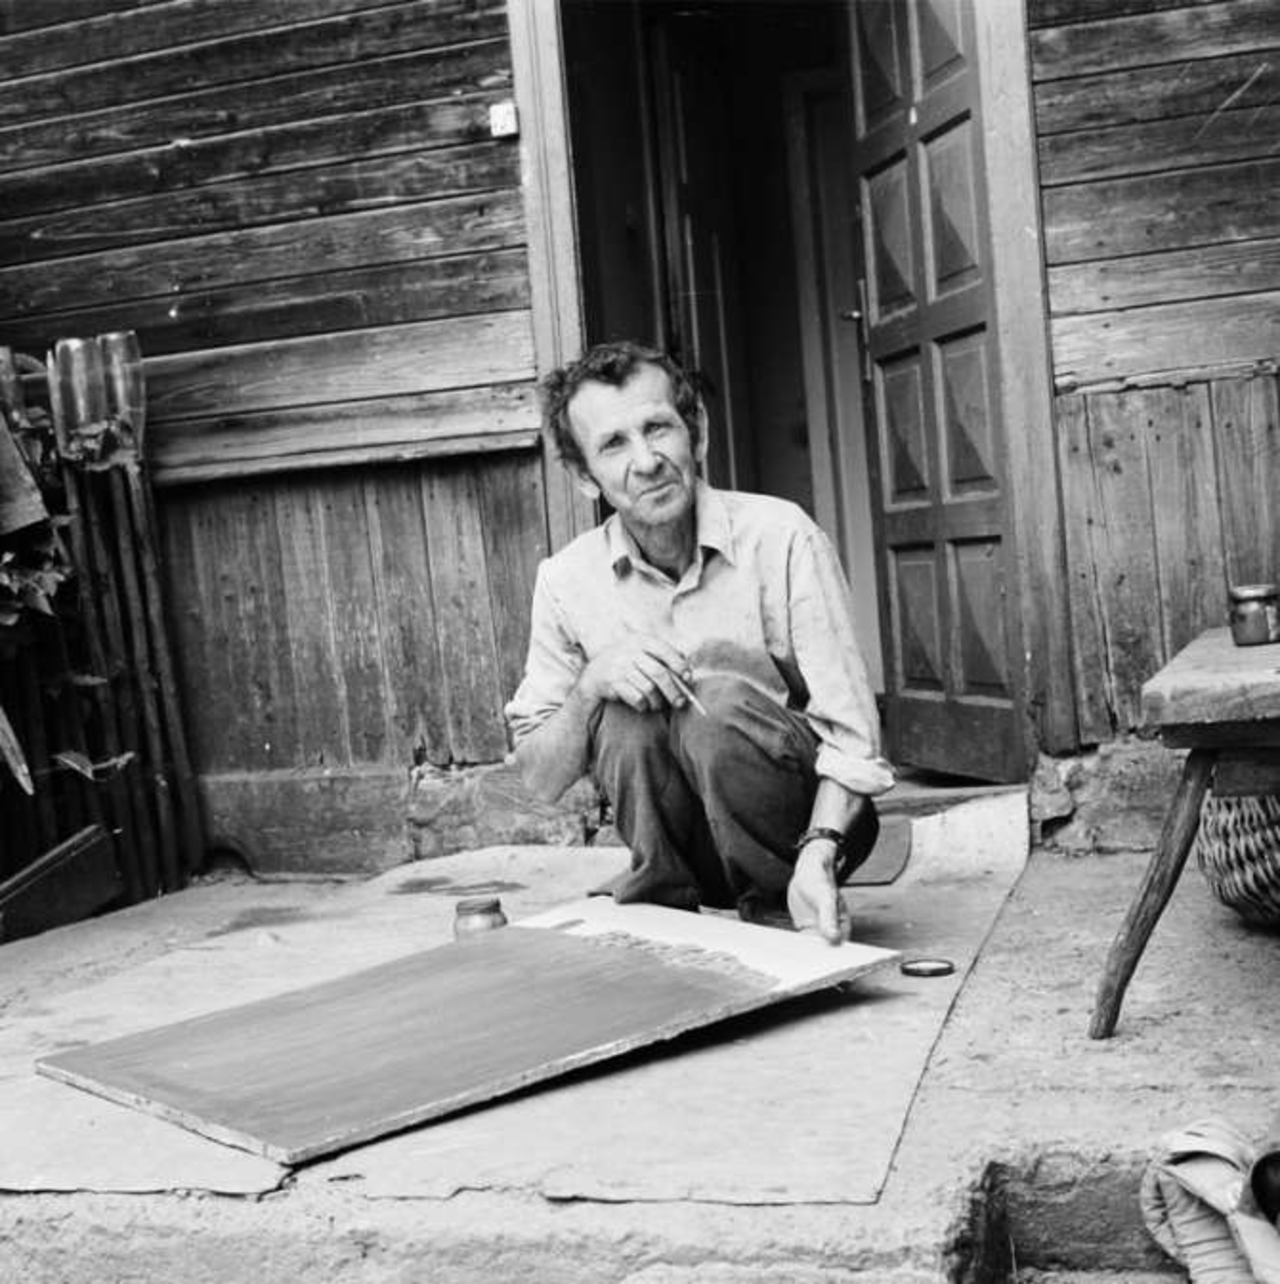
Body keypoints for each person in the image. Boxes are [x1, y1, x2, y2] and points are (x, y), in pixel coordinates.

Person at [504, 340, 894, 943]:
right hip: (690, 849)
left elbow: (854, 739)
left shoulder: (782, 536)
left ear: (698, 433)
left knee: (712, 706)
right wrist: (590, 687)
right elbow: (539, 781)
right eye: (614, 444)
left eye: (658, 428)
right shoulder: (565, 581)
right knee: (620, 711)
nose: (647, 461)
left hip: (809, 835)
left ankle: (783, 910)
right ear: (584, 477)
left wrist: (820, 851)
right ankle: (661, 909)